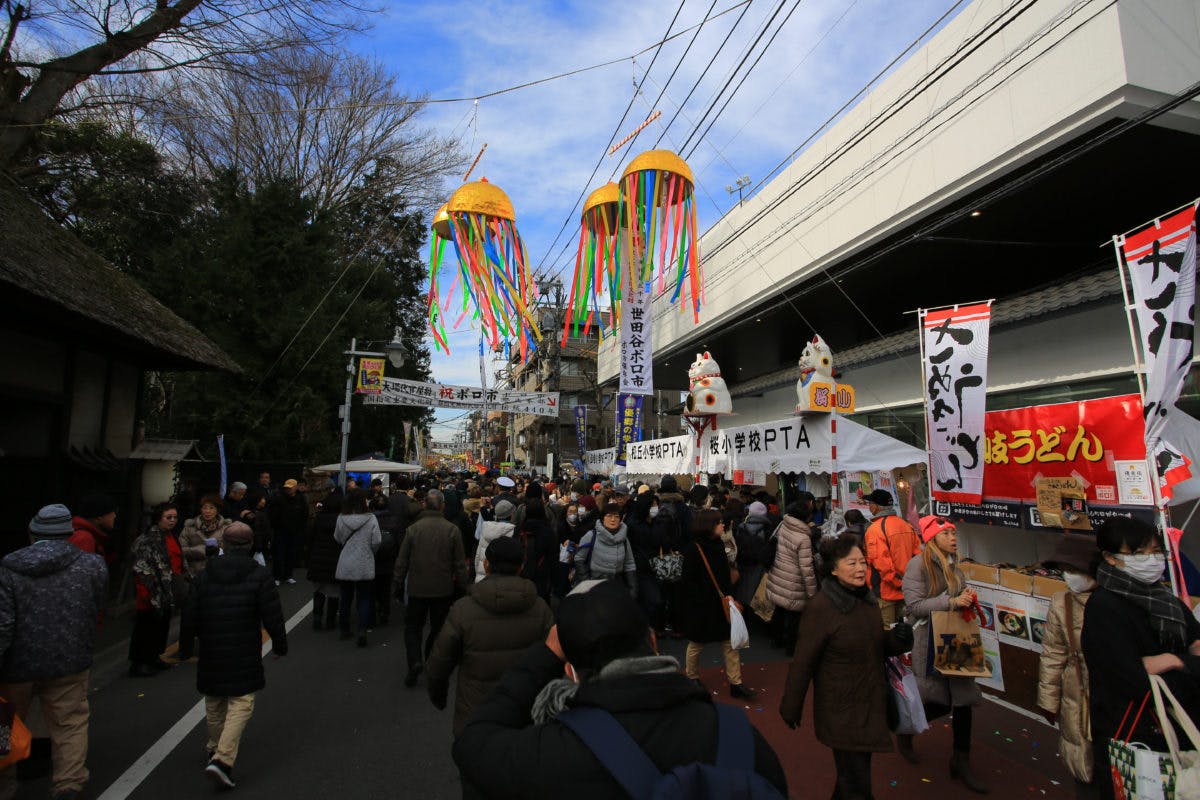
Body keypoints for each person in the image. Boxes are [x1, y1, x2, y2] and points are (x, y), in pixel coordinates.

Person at [452, 578, 788, 799]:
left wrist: (545, 654)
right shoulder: (737, 735)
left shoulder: (553, 752)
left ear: (570, 670)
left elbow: (474, 740)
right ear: (653, 640)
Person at [780, 534, 914, 800]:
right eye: (851, 563)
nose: (860, 568)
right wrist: (791, 705)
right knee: (856, 783)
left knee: (851, 779)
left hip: (870, 699)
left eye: (862, 562)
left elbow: (874, 644)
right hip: (840, 706)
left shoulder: (867, 599)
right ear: (833, 568)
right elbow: (803, 660)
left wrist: (897, 641)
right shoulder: (821, 607)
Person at [1081, 517, 1200, 800]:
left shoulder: (1165, 598)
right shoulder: (1104, 607)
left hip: (1183, 721)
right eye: (1138, 553)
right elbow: (1130, 677)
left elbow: (1195, 642)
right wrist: (1185, 662)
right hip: (1133, 729)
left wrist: (1173, 660)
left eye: (1156, 551)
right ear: (1110, 558)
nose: (1152, 560)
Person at [0, 505, 107, 800]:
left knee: (5, 722)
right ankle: (69, 782)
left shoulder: (9, 568)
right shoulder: (92, 565)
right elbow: (97, 606)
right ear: (68, 534)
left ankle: (5, 780)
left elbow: (4, 622)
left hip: (17, 662)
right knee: (70, 722)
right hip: (70, 657)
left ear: (33, 533)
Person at [182, 522, 287, 790]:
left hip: (211, 645)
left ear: (223, 545)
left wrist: (184, 647)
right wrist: (279, 643)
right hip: (243, 644)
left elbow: (190, 613)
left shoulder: (205, 574)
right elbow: (271, 613)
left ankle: (215, 748)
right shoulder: (259, 574)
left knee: (215, 699)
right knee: (241, 701)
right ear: (250, 545)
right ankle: (223, 759)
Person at [425, 536, 553, 738]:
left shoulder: (463, 609)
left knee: (474, 766)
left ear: (486, 564)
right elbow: (554, 659)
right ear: (521, 566)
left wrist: (438, 695)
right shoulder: (541, 609)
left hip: (476, 713)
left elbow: (440, 661)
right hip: (525, 712)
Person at [902, 515, 986, 793]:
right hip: (930, 641)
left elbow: (955, 598)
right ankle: (907, 727)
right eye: (946, 533)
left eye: (953, 533)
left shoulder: (953, 566)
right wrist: (951, 601)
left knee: (963, 700)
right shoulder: (918, 565)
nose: (953, 537)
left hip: (956, 638)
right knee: (939, 700)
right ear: (931, 537)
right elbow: (914, 606)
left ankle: (961, 760)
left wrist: (966, 599)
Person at [1037, 536, 1099, 797]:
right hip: (1076, 693)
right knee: (1083, 765)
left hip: (1114, 695)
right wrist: (1048, 701)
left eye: (1075, 570)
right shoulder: (1061, 602)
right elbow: (1053, 653)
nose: (1069, 577)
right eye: (1066, 571)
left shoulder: (1116, 599)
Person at [679, 508, 755, 699]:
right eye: (719, 522)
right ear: (709, 526)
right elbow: (688, 581)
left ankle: (735, 682)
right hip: (703, 606)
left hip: (721, 603)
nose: (723, 525)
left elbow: (724, 575)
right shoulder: (694, 549)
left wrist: (728, 595)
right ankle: (692, 677)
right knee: (697, 644)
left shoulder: (719, 545)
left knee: (730, 644)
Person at [395, 490, 467, 687]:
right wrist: (463, 586)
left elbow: (402, 561)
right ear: (442, 506)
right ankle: (428, 659)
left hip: (417, 586)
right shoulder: (452, 530)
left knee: (412, 627)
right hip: (442, 588)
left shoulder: (413, 529)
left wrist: (398, 584)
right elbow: (460, 564)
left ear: (425, 504)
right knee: (438, 627)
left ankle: (414, 661)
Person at [129, 503, 185, 676]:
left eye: (175, 517)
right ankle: (139, 662)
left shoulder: (172, 536)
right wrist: (147, 591)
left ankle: (154, 657)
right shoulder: (147, 539)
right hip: (152, 589)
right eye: (168, 517)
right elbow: (141, 567)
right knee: (146, 626)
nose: (172, 521)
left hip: (168, 587)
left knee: (162, 624)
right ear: (158, 518)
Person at [765, 501, 820, 655]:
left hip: (779, 572)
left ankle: (776, 640)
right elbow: (806, 568)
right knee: (795, 617)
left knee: (780, 610)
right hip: (794, 581)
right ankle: (791, 647)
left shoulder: (784, 525)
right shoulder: (803, 537)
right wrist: (812, 593)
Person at [864, 488, 921, 627]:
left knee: (887, 633)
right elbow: (918, 556)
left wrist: (899, 583)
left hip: (886, 593)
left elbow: (882, 565)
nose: (869, 506)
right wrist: (908, 584)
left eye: (870, 503)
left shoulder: (875, 529)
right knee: (906, 633)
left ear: (876, 506)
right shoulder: (906, 525)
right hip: (907, 592)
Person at [333, 490, 382, 647]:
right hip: (364, 560)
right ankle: (362, 630)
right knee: (364, 598)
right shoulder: (371, 518)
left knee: (345, 597)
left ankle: (344, 629)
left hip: (346, 560)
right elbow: (377, 540)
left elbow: (338, 537)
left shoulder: (341, 518)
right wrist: (369, 551)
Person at [572, 506, 636, 594]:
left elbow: (629, 563)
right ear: (602, 518)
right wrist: (587, 582)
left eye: (617, 516)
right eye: (609, 516)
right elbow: (579, 558)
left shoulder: (624, 540)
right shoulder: (591, 536)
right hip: (593, 586)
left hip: (615, 587)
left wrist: (632, 589)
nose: (613, 519)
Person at [306, 488, 343, 631]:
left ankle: (317, 617)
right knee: (334, 592)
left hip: (318, 557)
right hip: (335, 558)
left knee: (319, 590)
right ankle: (330, 620)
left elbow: (309, 538)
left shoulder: (318, 519)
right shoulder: (340, 520)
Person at [267, 478, 309, 585]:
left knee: (291, 554)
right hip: (281, 530)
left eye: (290, 488)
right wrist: (276, 525)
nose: (288, 490)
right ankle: (277, 575)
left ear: (295, 487)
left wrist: (301, 529)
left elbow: (305, 515)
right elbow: (273, 514)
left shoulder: (301, 499)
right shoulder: (279, 498)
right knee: (279, 554)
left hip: (295, 531)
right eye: (287, 488)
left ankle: (288, 575)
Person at [515, 498, 557, 602]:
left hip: (521, 575)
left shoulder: (519, 530)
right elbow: (553, 557)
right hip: (542, 577)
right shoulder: (549, 532)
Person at [180, 495, 230, 579]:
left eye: (211, 508)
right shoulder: (189, 528)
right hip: (194, 573)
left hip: (219, 573)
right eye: (205, 508)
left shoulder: (226, 528)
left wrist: (218, 550)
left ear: (217, 510)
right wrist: (199, 550)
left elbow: (231, 550)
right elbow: (181, 550)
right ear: (200, 509)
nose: (207, 511)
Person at [69, 493, 117, 565]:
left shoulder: (93, 537)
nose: (114, 516)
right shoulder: (84, 539)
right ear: (99, 517)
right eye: (111, 512)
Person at [475, 499, 516, 582]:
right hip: (504, 582)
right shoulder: (513, 531)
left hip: (482, 579)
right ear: (511, 515)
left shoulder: (486, 528)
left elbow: (478, 555)